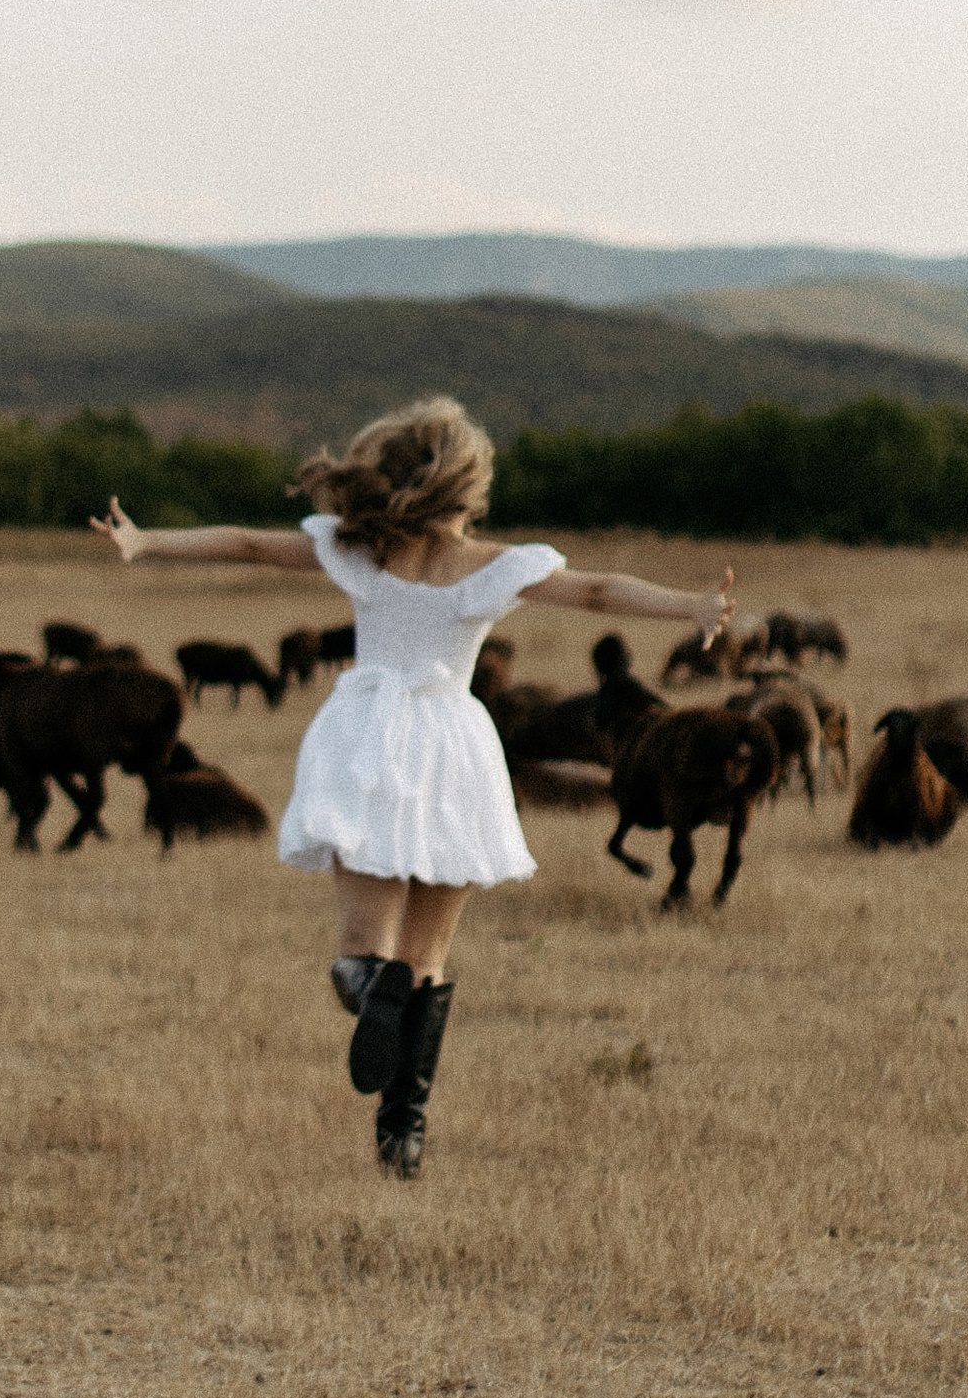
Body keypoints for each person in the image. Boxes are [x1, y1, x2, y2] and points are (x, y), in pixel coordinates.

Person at [91, 396, 733, 1179]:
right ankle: (404, 1128)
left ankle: (374, 988)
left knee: (360, 957)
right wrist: (690, 606)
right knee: (428, 956)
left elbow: (248, 544)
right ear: (470, 485)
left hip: (367, 737)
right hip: (452, 746)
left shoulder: (361, 550)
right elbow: (598, 591)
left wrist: (146, 540)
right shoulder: (497, 564)